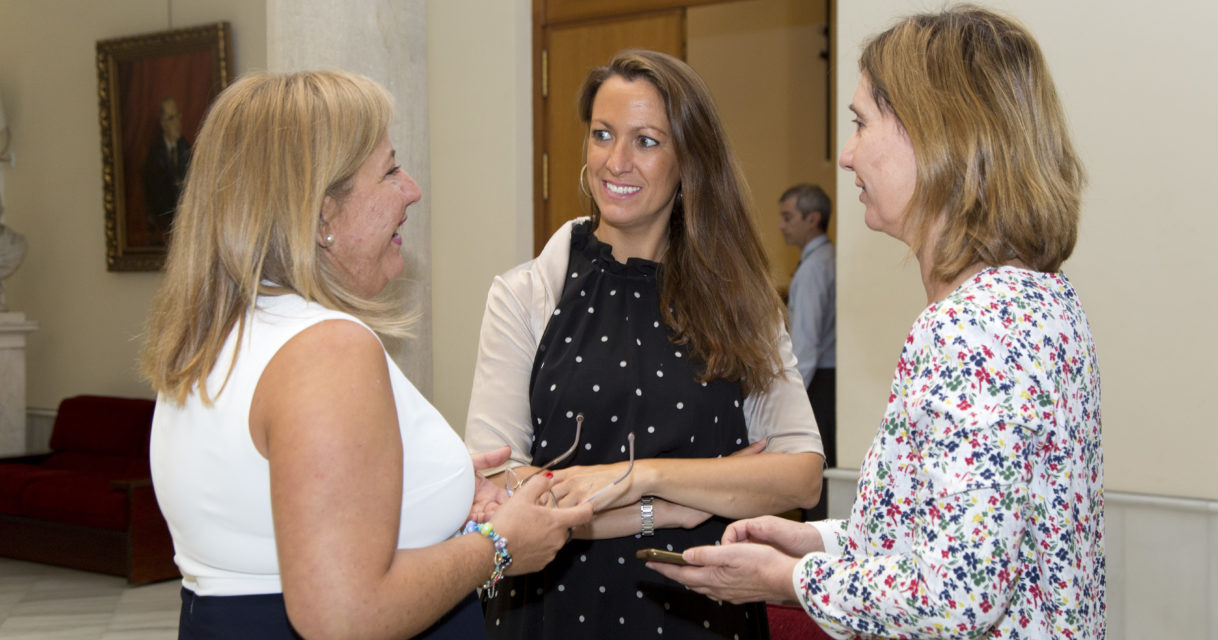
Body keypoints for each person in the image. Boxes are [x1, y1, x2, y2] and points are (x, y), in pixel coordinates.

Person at [650, 6, 1105, 639]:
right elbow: (952, 530)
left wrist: (786, 580)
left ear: (938, 133)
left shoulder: (971, 326)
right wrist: (813, 539)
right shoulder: (1045, 299)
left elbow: (956, 594)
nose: (845, 155)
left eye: (862, 124)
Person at [140, 70, 592, 639]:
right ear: (322, 212)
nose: (412, 190)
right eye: (389, 170)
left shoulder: (217, 334)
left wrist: (431, 480)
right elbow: (344, 613)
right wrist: (501, 547)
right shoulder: (326, 349)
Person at [465, 49, 825, 639]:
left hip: (702, 614)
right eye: (602, 135)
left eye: (647, 141)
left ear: (690, 160)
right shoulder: (526, 293)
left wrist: (647, 477)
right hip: (552, 611)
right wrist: (680, 506)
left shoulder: (742, 302)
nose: (616, 161)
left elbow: (800, 476)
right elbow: (500, 494)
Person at [777, 183, 837, 520]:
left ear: (812, 219)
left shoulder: (815, 268)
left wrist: (792, 395)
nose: (782, 226)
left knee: (814, 470)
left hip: (817, 382)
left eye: (788, 217)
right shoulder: (825, 260)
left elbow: (808, 343)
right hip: (824, 379)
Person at [142, 96, 191, 243]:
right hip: (164, 226)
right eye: (171, 118)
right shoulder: (154, 157)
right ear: (163, 123)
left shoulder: (187, 150)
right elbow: (158, 201)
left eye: (177, 116)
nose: (177, 123)